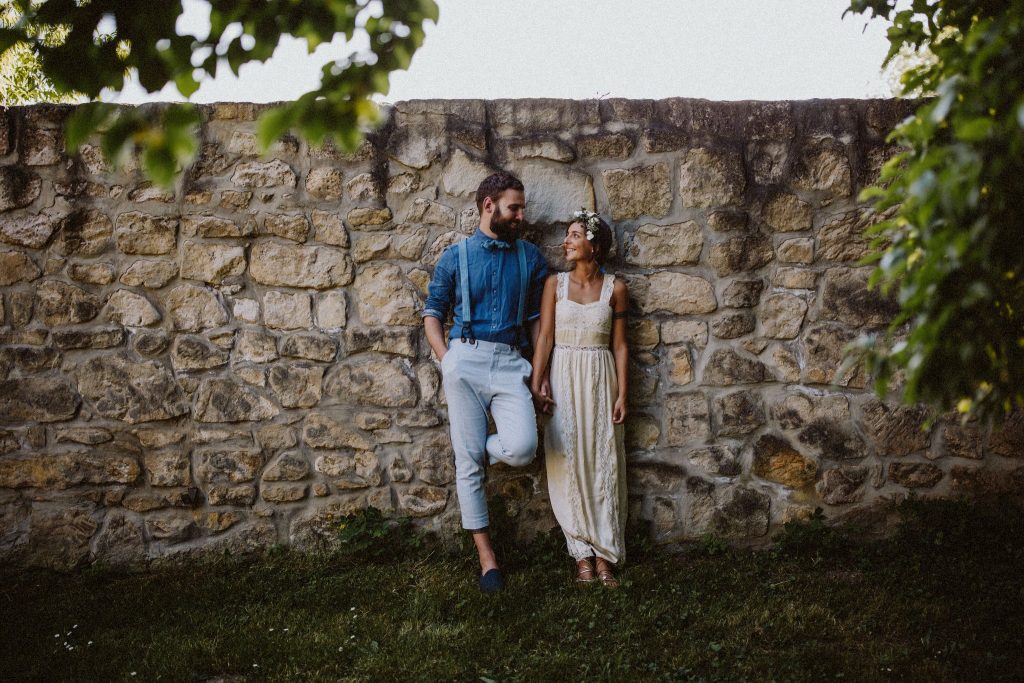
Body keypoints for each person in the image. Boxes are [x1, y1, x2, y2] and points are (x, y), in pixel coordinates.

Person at [422, 171, 549, 593]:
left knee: (522, 447)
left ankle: (472, 456)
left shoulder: (530, 257)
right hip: (465, 358)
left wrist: (540, 374)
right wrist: (448, 362)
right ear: (488, 205)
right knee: (469, 463)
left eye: (522, 208)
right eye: (514, 207)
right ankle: (487, 559)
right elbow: (432, 315)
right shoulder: (454, 256)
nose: (521, 215)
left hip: (512, 363)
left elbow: (535, 321)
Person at [530, 209, 629, 588]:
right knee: (567, 460)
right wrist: (538, 381)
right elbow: (545, 337)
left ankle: (605, 553)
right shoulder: (554, 285)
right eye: (567, 235)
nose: (566, 241)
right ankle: (581, 554)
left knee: (603, 459)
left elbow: (620, 347)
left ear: (595, 245)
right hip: (563, 373)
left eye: (575, 235)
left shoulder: (615, 288)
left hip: (601, 376)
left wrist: (623, 394)